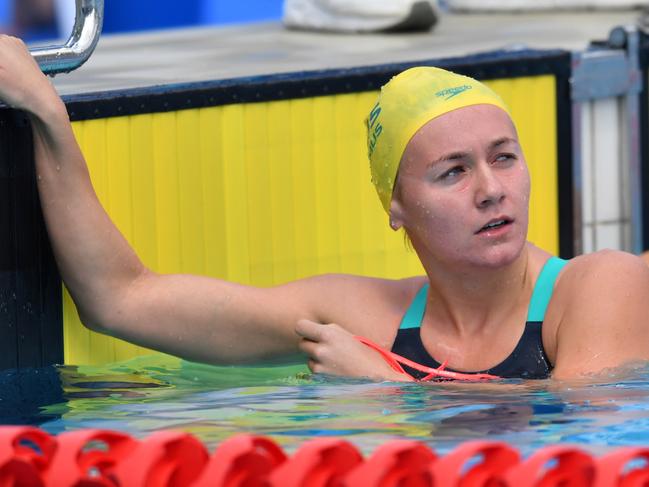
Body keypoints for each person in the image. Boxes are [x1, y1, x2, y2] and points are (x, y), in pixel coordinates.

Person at [1, 34, 649, 383]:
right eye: (452, 171)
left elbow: (580, 439)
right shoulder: (359, 318)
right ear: (395, 205)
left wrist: (392, 388)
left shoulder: (599, 291)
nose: (490, 188)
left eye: (504, 157)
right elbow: (120, 299)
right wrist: (46, 112)